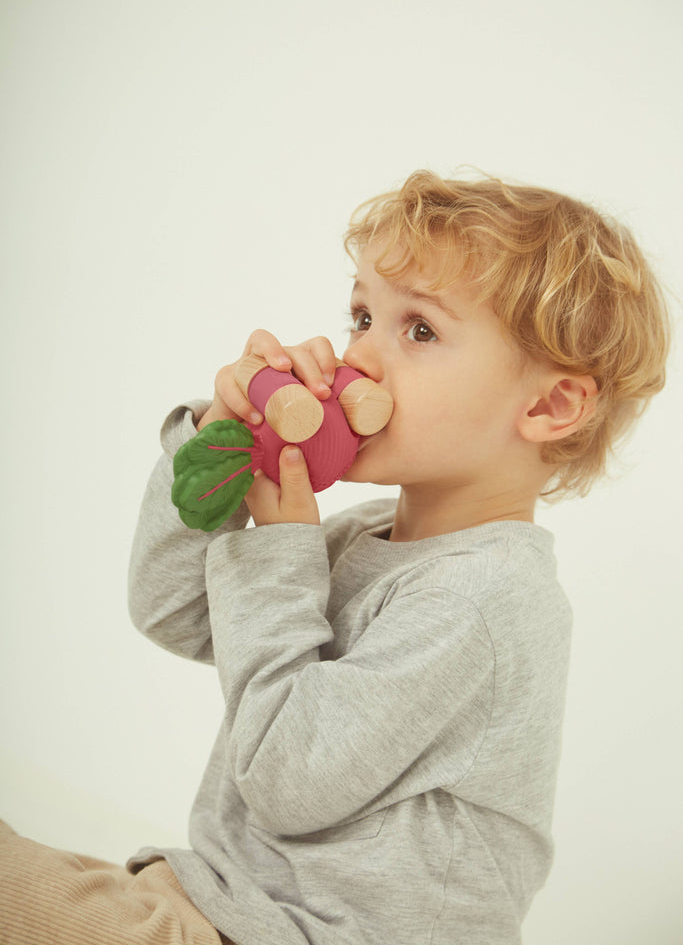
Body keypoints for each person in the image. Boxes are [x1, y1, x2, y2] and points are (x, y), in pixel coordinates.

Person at [0, 170, 670, 945]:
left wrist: (282, 547)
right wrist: (218, 449)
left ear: (548, 406)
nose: (358, 358)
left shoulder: (487, 597)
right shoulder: (364, 536)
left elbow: (290, 781)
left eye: (417, 330)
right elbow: (172, 612)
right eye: (359, 316)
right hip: (229, 904)